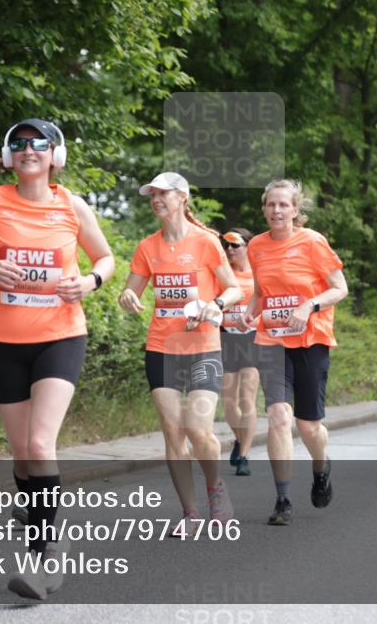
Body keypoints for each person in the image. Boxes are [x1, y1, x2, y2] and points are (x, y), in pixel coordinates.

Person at [0, 118, 115, 600]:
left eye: (39, 143)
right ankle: (41, 515)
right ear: (9, 156)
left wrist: (90, 282)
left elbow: (105, 258)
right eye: (19, 143)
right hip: (3, 342)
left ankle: (44, 558)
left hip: (61, 337)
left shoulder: (71, 205)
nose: (28, 149)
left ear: (55, 155)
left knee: (40, 445)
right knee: (22, 455)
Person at [118, 172, 242, 530]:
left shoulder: (206, 242)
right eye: (152, 195)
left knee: (198, 429)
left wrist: (214, 304)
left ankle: (215, 488)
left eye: (163, 194)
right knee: (173, 432)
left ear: (182, 198)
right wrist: (127, 296)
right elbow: (130, 291)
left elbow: (234, 288)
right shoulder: (147, 246)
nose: (156, 200)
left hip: (203, 347)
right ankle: (190, 513)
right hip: (161, 348)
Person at [237, 180, 347, 525]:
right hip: (272, 341)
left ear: (295, 210)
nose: (277, 210)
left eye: (284, 205)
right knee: (279, 416)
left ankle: (321, 467)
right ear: (264, 208)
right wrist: (250, 312)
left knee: (309, 426)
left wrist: (308, 305)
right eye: (271, 204)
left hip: (311, 341)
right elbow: (261, 292)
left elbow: (339, 288)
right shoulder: (256, 246)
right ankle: (282, 499)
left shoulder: (312, 242)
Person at [218, 229, 260, 476]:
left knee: (247, 398)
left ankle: (244, 455)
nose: (230, 249)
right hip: (226, 338)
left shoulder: (259, 273)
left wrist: (257, 319)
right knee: (229, 402)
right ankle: (239, 438)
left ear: (248, 247)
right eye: (227, 245)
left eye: (235, 245)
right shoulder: (223, 274)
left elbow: (268, 302)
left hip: (252, 338)